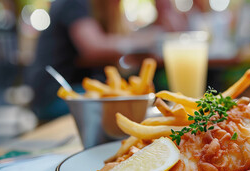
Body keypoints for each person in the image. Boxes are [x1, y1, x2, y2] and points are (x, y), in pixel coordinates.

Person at [24, 0, 159, 120]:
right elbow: (93, 48)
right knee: (126, 107)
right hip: (56, 95)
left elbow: (115, 56)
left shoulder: (104, 10)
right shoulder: (74, 3)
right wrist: (142, 42)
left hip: (80, 91)